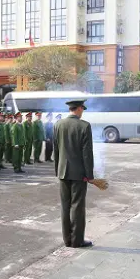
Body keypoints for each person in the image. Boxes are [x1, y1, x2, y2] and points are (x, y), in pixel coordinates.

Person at [54, 100, 94, 248]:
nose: (82, 111)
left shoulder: (58, 124)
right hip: (79, 173)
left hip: (62, 171)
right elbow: (87, 153)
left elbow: (56, 149)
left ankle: (67, 240)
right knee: (77, 206)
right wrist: (89, 175)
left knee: (65, 206)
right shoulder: (84, 126)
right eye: (82, 109)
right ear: (78, 109)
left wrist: (58, 169)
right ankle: (77, 240)